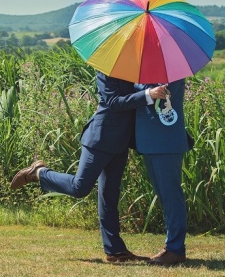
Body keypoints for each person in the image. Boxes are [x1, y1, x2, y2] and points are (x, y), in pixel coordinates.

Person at [10, 71, 167, 262]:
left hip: (121, 141)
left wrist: (153, 90)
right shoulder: (106, 70)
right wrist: (147, 95)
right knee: (79, 187)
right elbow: (113, 102)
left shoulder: (134, 70)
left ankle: (115, 251)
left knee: (109, 196)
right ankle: (39, 173)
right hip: (100, 138)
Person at [135, 79, 194, 265]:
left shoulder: (173, 69)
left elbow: (160, 94)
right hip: (149, 141)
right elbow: (146, 93)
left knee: (171, 196)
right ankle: (172, 247)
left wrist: (136, 87)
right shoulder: (143, 72)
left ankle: (175, 249)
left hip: (167, 141)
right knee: (164, 196)